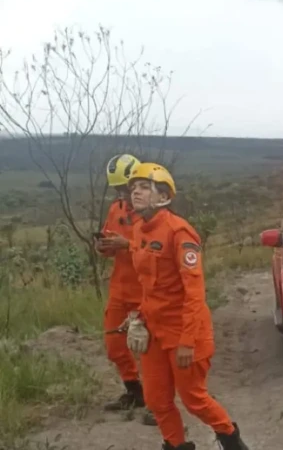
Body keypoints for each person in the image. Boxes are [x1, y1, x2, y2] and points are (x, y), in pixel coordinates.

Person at [124, 162, 249, 450]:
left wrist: (188, 341)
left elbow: (195, 294)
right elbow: (149, 285)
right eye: (134, 188)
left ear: (164, 196)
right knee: (156, 401)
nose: (136, 193)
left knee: (194, 399)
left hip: (185, 333)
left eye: (145, 187)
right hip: (154, 333)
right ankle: (176, 445)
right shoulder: (139, 231)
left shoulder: (179, 233)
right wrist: (138, 318)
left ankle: (232, 442)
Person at [94, 153, 156, 426]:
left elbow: (157, 253)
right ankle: (134, 391)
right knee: (114, 346)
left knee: (152, 352)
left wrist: (126, 245)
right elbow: (111, 242)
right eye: (119, 189)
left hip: (147, 292)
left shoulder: (154, 214)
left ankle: (159, 402)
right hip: (120, 289)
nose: (124, 194)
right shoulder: (115, 209)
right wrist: (104, 247)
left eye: (126, 188)